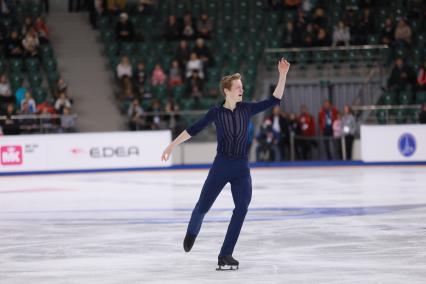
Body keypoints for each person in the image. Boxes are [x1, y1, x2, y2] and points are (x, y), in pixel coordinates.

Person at [161, 58, 290, 270]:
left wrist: (282, 74)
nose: (242, 90)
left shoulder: (247, 108)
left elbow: (274, 100)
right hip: (221, 166)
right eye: (238, 87)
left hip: (241, 167)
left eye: (242, 87)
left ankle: (225, 254)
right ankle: (192, 231)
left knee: (242, 207)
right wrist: (172, 146)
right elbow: (193, 129)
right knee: (203, 207)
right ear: (227, 91)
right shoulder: (216, 113)